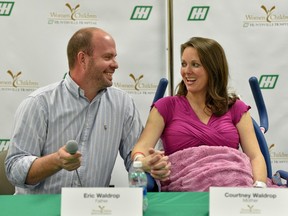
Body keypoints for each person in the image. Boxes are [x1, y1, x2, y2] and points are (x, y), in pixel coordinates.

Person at [5, 27, 147, 194]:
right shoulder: (39, 103)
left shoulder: (123, 104)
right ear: (83, 59)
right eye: (108, 57)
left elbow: (136, 159)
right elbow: (14, 169)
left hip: (93, 209)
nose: (115, 64)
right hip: (40, 210)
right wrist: (56, 161)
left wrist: (147, 163)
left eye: (115, 57)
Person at [131, 37, 268, 191]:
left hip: (232, 192)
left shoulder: (236, 107)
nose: (186, 71)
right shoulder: (165, 107)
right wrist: (143, 163)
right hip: (184, 195)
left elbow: (255, 156)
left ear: (213, 69)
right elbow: (140, 149)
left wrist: (259, 187)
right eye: (183, 64)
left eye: (195, 65)